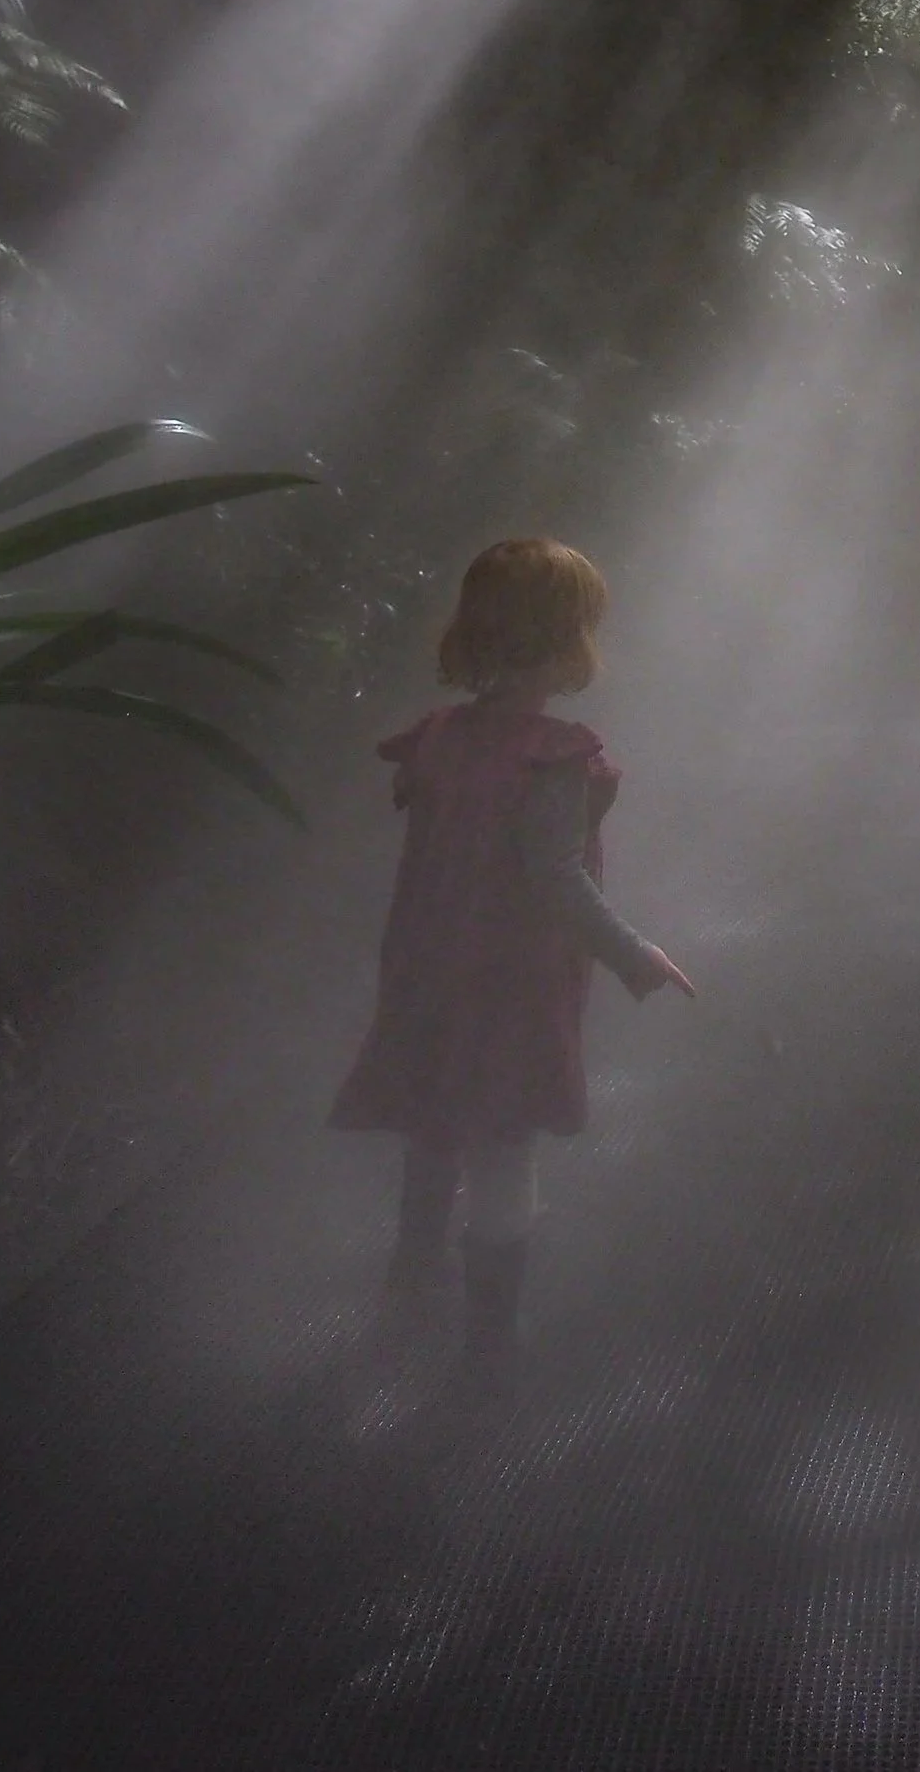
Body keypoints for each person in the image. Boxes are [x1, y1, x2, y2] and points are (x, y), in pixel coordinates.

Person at [331, 536, 691, 1393]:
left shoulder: (439, 735)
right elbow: (554, 877)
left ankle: (412, 1276)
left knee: (435, 1115)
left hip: (425, 963)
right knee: (504, 1139)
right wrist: (633, 955)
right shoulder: (554, 757)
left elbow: (433, 827)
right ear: (570, 640)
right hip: (511, 979)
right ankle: (490, 1340)